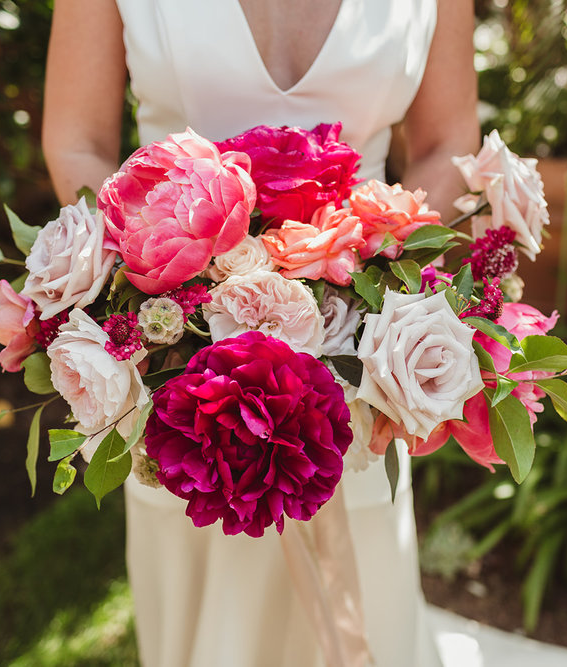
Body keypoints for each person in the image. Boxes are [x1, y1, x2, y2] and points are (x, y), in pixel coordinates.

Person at [42, 1, 480, 665]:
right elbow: (78, 141)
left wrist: (376, 285)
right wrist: (167, 298)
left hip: (357, 356)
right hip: (179, 369)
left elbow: (450, 140)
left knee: (369, 602)